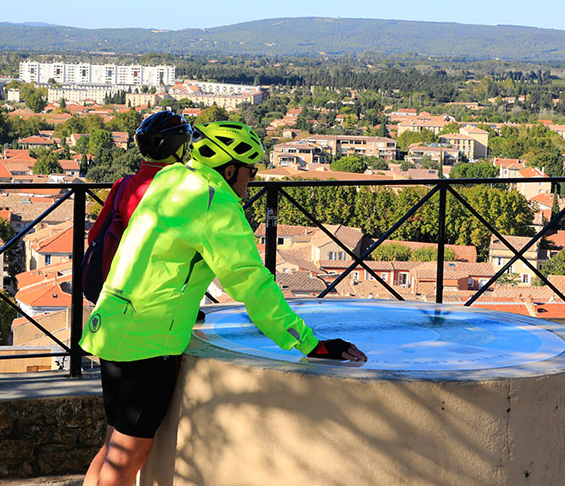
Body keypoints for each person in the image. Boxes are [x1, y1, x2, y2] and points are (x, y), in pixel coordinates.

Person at [80, 121, 367, 486]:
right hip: (147, 340)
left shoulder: (172, 180)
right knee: (127, 459)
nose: (252, 180)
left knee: (113, 448)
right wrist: (311, 343)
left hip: (113, 323)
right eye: (250, 172)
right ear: (229, 169)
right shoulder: (217, 205)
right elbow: (252, 284)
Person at [87, 111, 193, 278]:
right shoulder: (190, 189)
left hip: (119, 281)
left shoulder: (122, 186)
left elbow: (94, 235)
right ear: (179, 148)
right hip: (165, 286)